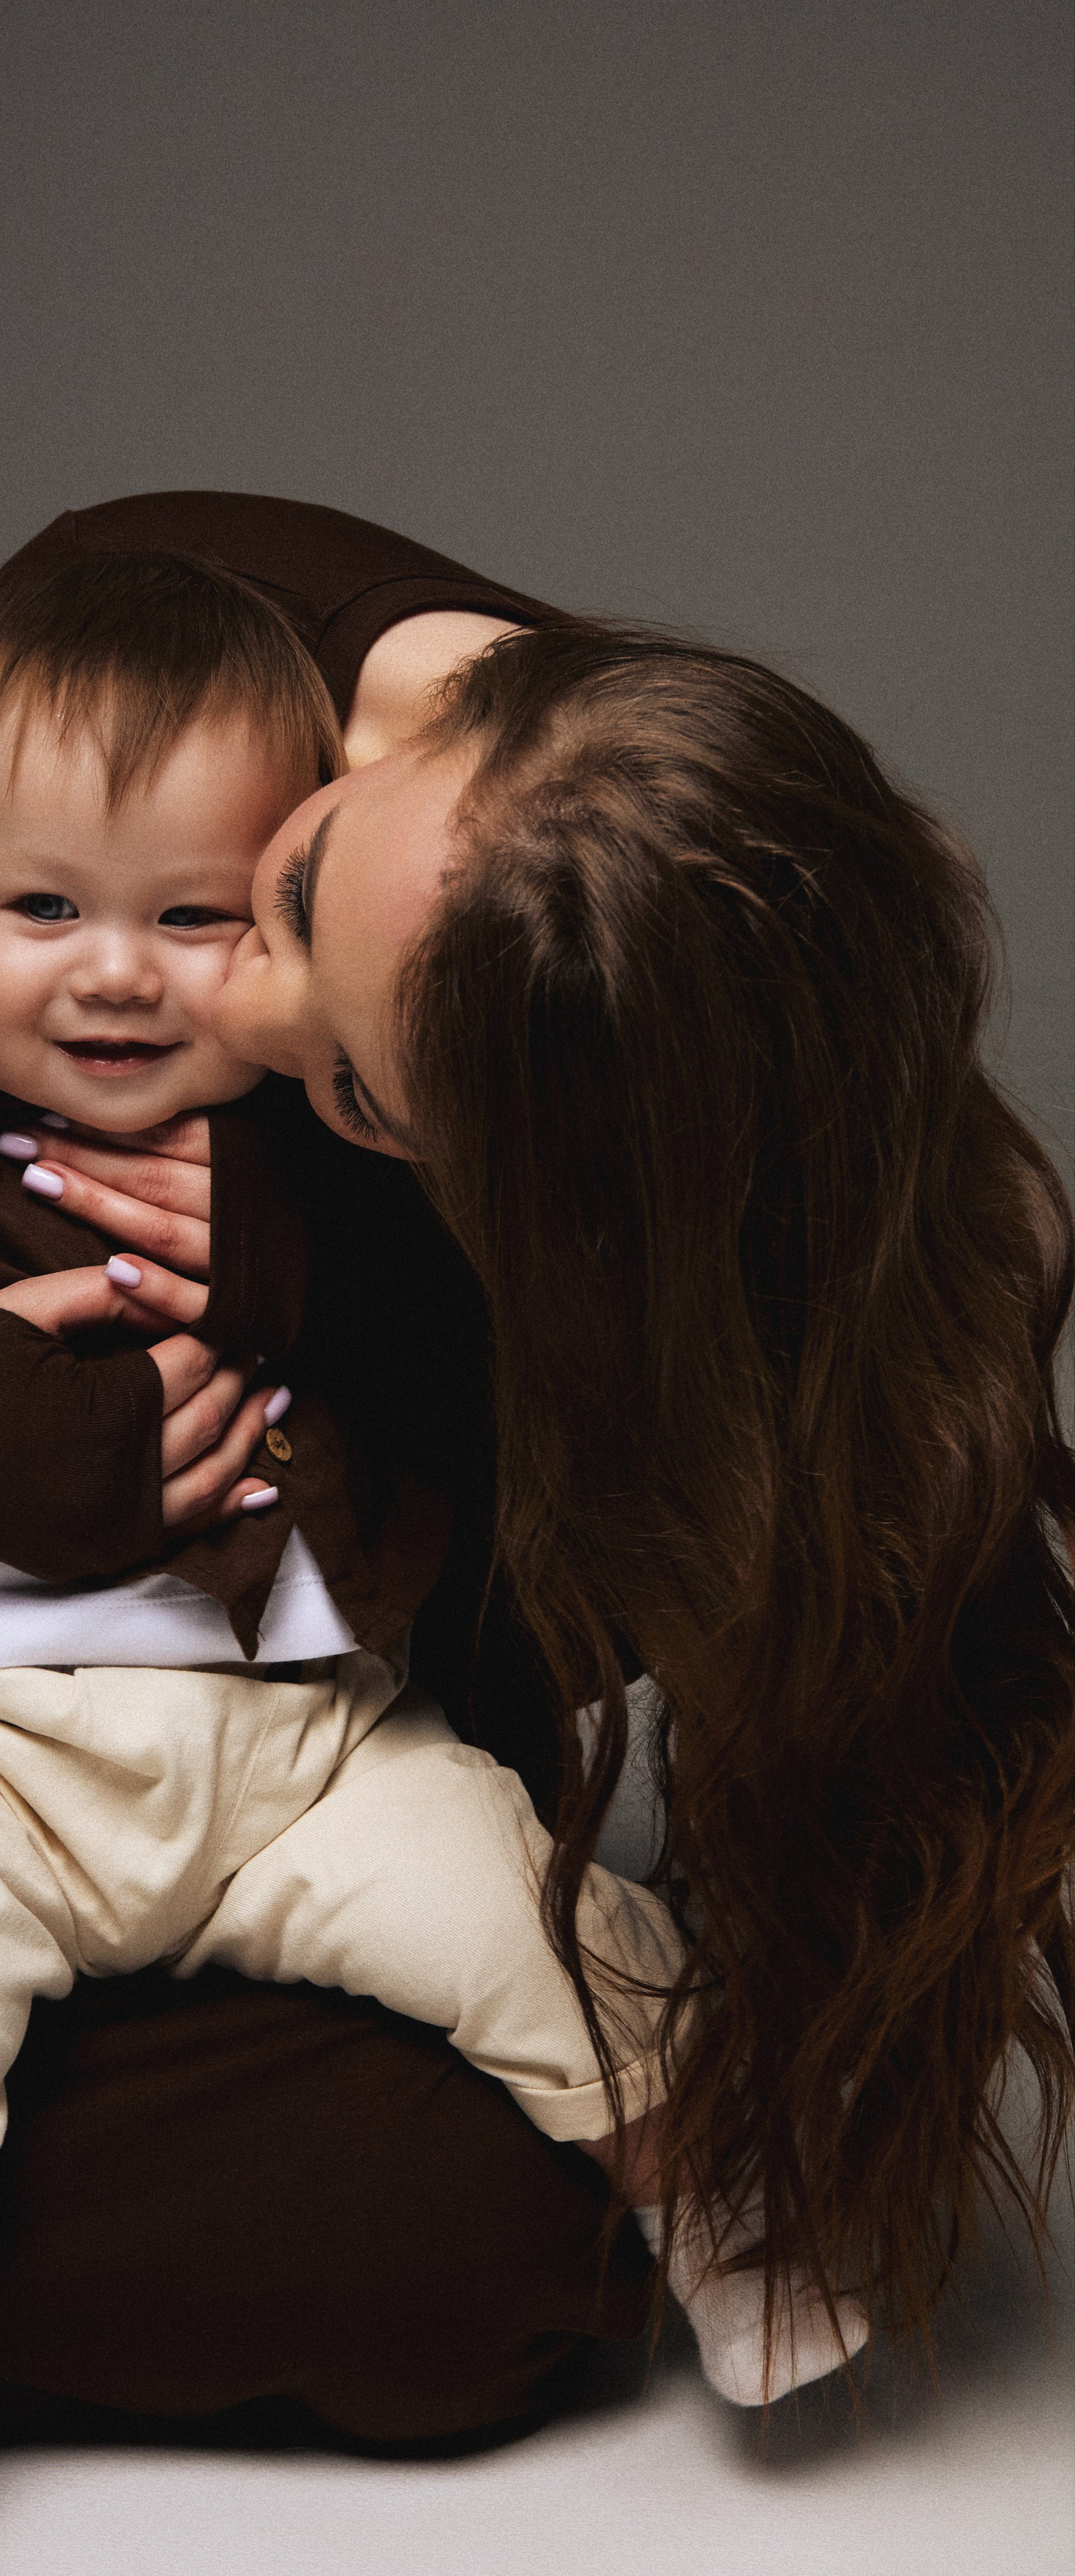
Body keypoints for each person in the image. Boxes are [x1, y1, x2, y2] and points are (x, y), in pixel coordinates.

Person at [0, 549, 723, 2576]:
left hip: (302, 1735)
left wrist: (307, 1256)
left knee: (548, 1921)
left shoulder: (344, 1147)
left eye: (197, 920)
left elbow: (526, 1407)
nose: (116, 975)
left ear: (287, 918)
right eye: (44, 911)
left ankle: (743, 2228)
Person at [207, 615, 1075, 2373]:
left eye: (355, 1097)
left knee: (487, 2266)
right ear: (435, 695)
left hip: (321, 1767)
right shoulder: (137, 680)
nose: (234, 1003)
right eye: (300, 886)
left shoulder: (677, 1070)